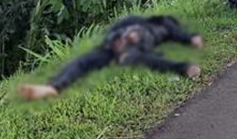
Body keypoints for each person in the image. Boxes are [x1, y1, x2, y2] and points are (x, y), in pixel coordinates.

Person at [18, 15, 204, 100]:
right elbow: (178, 33)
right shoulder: (161, 24)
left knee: (84, 62)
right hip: (123, 43)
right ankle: (53, 87)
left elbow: (115, 28)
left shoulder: (140, 22)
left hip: (119, 44)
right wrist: (192, 38)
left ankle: (55, 86)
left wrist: (115, 39)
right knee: (144, 58)